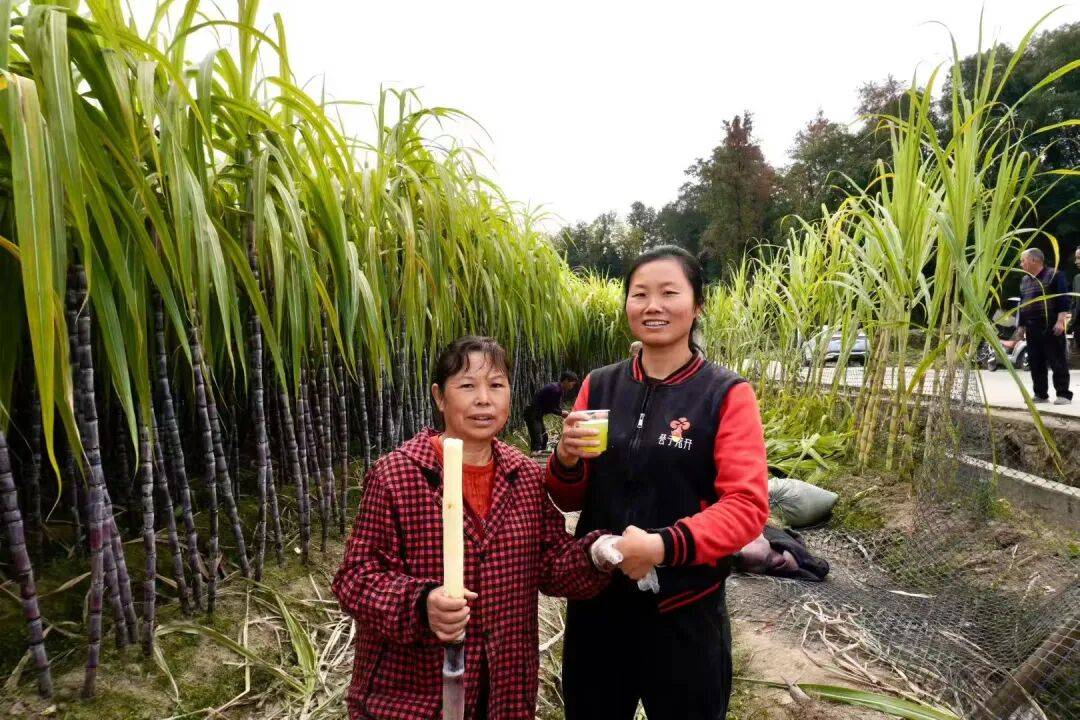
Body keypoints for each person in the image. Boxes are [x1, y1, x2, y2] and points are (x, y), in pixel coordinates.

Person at [332, 337, 616, 720]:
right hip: (413, 696)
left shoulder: (524, 476)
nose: (484, 399)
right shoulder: (398, 476)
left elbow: (552, 565)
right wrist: (421, 604)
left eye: (496, 385)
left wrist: (597, 554)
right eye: (467, 386)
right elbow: (355, 579)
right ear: (439, 396)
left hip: (504, 690)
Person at [545, 246, 770, 720]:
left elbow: (747, 505)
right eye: (640, 294)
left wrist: (663, 546)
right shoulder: (600, 385)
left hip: (684, 609)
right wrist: (565, 457)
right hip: (598, 604)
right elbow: (569, 495)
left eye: (670, 293)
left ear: (697, 305)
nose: (653, 306)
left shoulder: (724, 394)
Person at [1017, 248, 1072, 405]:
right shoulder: (1024, 280)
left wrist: (1061, 321)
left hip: (1051, 325)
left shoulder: (1055, 275)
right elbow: (1022, 306)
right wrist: (1021, 328)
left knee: (1057, 360)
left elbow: (1063, 300)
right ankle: (1041, 394)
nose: (1021, 264)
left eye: (1023, 260)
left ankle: (1063, 394)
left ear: (1034, 260)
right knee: (1035, 362)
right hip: (1031, 328)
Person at [524, 371, 578, 453]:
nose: (572, 387)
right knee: (537, 441)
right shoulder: (556, 390)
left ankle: (541, 456)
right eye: (572, 384)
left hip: (537, 415)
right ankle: (535, 460)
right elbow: (551, 408)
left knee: (544, 437)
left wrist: (561, 411)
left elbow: (554, 406)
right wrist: (561, 413)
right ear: (566, 380)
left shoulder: (557, 388)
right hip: (533, 415)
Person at [1068, 247, 1080, 353]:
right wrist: (1070, 323)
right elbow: (1074, 303)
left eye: (1079, 258)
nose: (1076, 261)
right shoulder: (1077, 278)